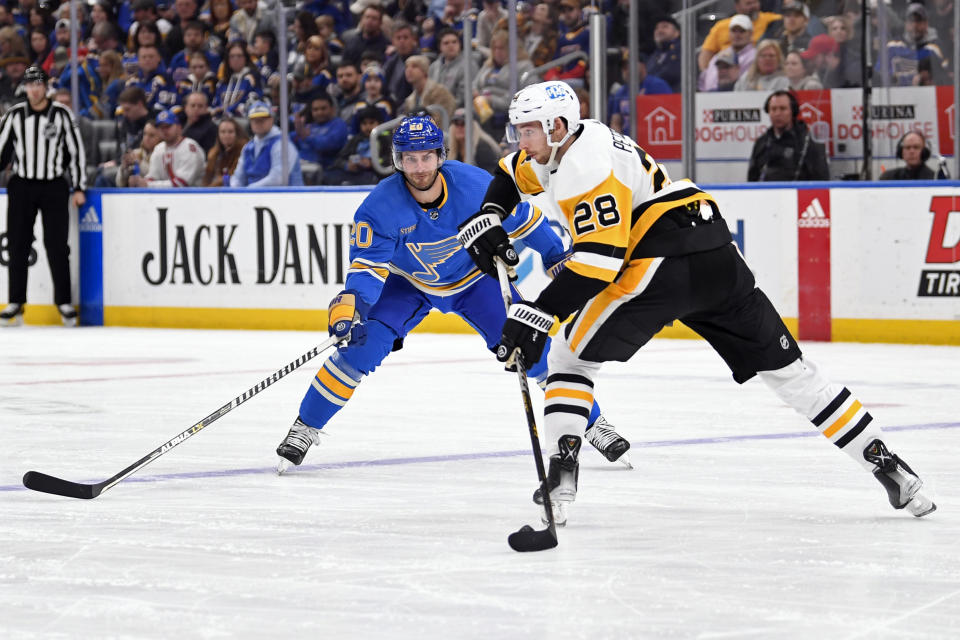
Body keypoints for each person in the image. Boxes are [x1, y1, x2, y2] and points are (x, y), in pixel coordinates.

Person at [464, 79, 936, 525]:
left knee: (569, 356)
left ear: (557, 127)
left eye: (528, 130)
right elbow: (509, 175)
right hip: (715, 251)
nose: (520, 140)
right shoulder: (569, 143)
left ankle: (561, 476)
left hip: (662, 260)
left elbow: (599, 263)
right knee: (794, 376)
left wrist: (537, 315)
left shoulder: (587, 169)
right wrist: (490, 214)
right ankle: (890, 466)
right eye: (519, 130)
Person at [274, 115, 631, 480]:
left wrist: (555, 254)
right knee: (359, 349)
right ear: (398, 160)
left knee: (531, 347)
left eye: (426, 157)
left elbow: (526, 220)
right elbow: (368, 270)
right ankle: (305, 427)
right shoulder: (378, 207)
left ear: (440, 156)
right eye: (409, 159)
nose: (419, 167)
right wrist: (354, 306)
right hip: (409, 284)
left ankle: (593, 424)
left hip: (476, 281)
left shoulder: (475, 185)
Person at [0, 66, 86, 327]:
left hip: (54, 186)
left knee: (57, 245)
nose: (34, 90)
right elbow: (2, 150)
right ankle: (16, 302)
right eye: (29, 85)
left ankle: (63, 302)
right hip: (23, 186)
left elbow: (76, 151)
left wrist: (79, 186)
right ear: (25, 87)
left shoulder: (62, 114)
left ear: (46, 87)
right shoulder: (15, 115)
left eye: (38, 85)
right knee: (18, 245)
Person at [747, 90, 828, 182]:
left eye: (783, 109)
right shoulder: (762, 143)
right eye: (773, 109)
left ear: (792, 111)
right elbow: (752, 179)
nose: (777, 113)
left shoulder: (808, 143)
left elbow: (821, 182)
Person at [230, 101, 304, 187]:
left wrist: (248, 190)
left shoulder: (283, 144)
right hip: (254, 197)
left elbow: (277, 179)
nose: (258, 123)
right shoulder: (248, 148)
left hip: (286, 197)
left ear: (271, 119)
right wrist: (235, 189)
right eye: (254, 120)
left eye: (263, 119)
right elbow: (238, 177)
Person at [128, 108, 206, 187]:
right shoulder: (159, 148)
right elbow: (153, 177)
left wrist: (148, 185)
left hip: (194, 196)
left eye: (168, 126)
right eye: (161, 127)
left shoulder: (190, 147)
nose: (164, 130)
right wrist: (140, 182)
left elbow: (182, 183)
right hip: (167, 197)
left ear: (179, 127)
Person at [698, 0, 780, 71]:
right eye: (748, 4)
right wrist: (707, 74)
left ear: (750, 33)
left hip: (756, 69)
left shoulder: (772, 20)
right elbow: (706, 53)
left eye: (755, 2)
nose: (753, 6)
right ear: (737, 6)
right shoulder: (721, 26)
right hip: (726, 69)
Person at [291, 93, 349, 171]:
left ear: (332, 109)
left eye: (323, 108)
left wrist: (306, 137)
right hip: (300, 165)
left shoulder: (339, 125)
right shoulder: (310, 126)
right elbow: (290, 139)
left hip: (325, 170)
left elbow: (327, 145)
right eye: (315, 109)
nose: (319, 112)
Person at [698, 14, 755, 92]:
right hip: (710, 97)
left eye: (742, 31)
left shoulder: (756, 56)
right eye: (734, 31)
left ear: (750, 33)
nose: (737, 35)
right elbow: (703, 81)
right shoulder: (719, 56)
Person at [446, 107, 502, 174]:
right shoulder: (453, 149)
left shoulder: (483, 147)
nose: (459, 127)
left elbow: (490, 176)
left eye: (463, 123)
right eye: (456, 123)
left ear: (474, 126)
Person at [203, 116, 248, 186]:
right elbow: (207, 177)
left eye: (230, 132)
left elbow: (233, 177)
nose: (226, 135)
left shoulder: (244, 150)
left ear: (237, 134)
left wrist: (210, 188)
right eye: (223, 132)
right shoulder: (213, 153)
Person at [116, 120, 161, 186]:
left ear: (161, 137)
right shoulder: (136, 153)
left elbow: (158, 177)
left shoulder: (161, 154)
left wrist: (139, 163)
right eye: (145, 134)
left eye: (151, 135)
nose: (146, 138)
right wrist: (124, 168)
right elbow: (119, 184)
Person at [647, 15, 681, 93]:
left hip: (675, 97)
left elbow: (673, 73)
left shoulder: (681, 49)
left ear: (677, 32)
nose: (659, 30)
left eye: (665, 27)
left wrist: (649, 82)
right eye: (657, 28)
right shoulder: (655, 53)